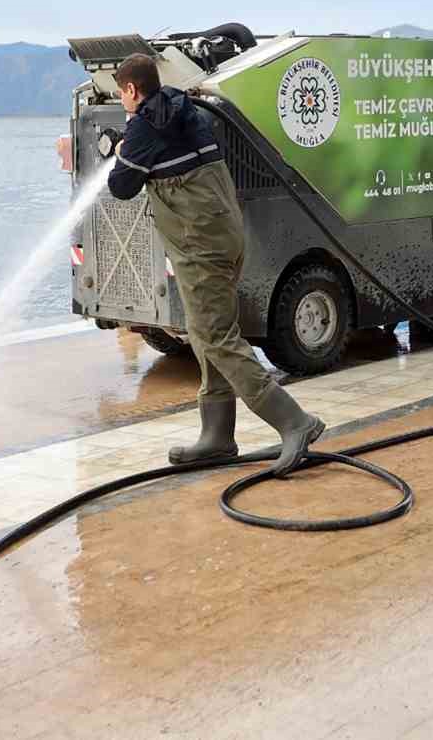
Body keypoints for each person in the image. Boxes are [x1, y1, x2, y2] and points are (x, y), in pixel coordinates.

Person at [107, 52, 325, 476]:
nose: (122, 101)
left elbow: (120, 186)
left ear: (132, 90)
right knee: (204, 331)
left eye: (121, 93)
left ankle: (295, 422)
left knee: (217, 337)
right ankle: (217, 436)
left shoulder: (144, 127)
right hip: (226, 235)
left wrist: (122, 146)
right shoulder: (183, 109)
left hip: (199, 246)